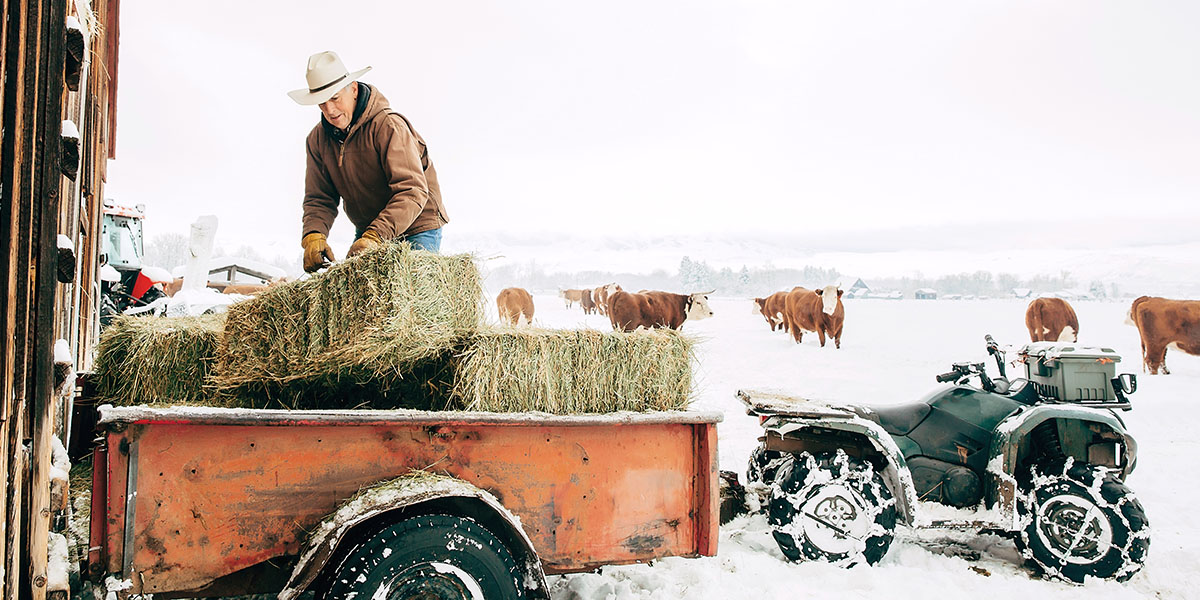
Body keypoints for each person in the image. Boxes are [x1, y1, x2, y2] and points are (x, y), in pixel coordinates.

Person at [288, 51, 449, 272]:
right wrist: (314, 234)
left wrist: (376, 235)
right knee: (365, 303)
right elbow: (319, 198)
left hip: (416, 225)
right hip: (369, 229)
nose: (329, 110)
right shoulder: (317, 140)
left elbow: (412, 191)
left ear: (353, 89)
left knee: (411, 301)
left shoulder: (389, 126)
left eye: (335, 98)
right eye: (321, 103)